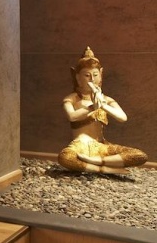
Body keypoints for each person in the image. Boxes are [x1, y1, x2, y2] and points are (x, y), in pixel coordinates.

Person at [58, 46, 148, 174]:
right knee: (65, 158)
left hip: (101, 146)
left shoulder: (106, 99)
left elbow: (122, 117)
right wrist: (92, 107)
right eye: (87, 75)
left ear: (101, 75)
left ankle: (98, 161)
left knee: (139, 155)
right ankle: (103, 169)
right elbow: (72, 116)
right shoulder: (72, 99)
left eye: (95, 75)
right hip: (81, 145)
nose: (92, 79)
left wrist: (103, 105)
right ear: (78, 77)